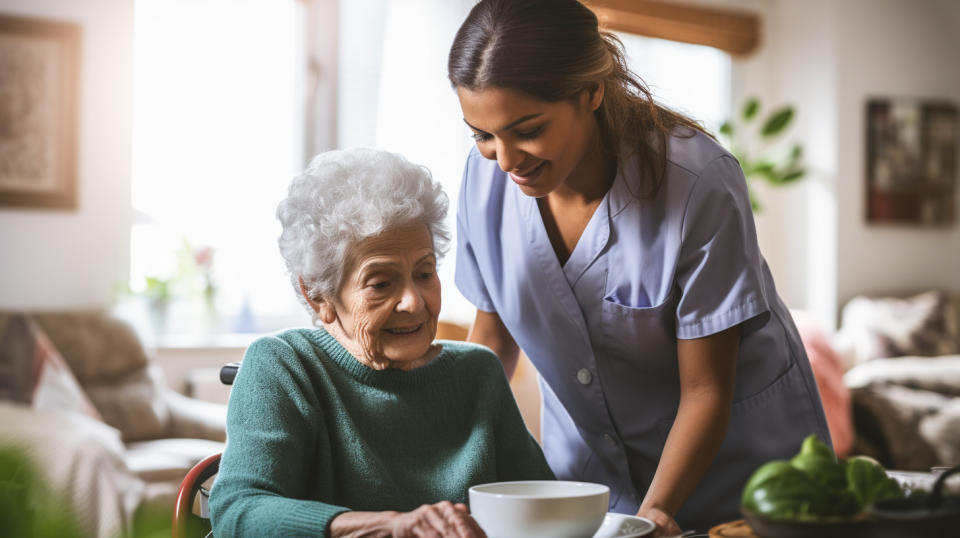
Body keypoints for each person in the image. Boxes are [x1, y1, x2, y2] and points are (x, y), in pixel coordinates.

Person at [447, 0, 831, 534]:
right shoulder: (482, 181)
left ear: (591, 92)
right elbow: (490, 345)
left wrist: (653, 515)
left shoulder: (697, 183)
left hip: (737, 481)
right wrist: (443, 478)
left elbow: (705, 389)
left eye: (527, 129)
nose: (505, 160)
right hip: (586, 486)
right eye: (482, 135)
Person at [209, 148, 554, 537]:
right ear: (317, 295)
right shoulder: (285, 365)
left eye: (425, 273)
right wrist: (390, 527)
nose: (414, 302)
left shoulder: (478, 372)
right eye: (381, 283)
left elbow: (542, 505)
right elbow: (238, 512)